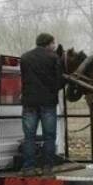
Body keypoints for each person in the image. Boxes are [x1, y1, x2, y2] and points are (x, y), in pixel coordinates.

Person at [20, 33, 66, 176]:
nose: (54, 46)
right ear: (48, 43)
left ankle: (28, 168)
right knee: (49, 136)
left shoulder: (25, 57)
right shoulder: (54, 58)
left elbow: (24, 79)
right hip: (48, 103)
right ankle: (47, 167)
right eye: (53, 43)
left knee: (29, 137)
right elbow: (59, 82)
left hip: (29, 103)